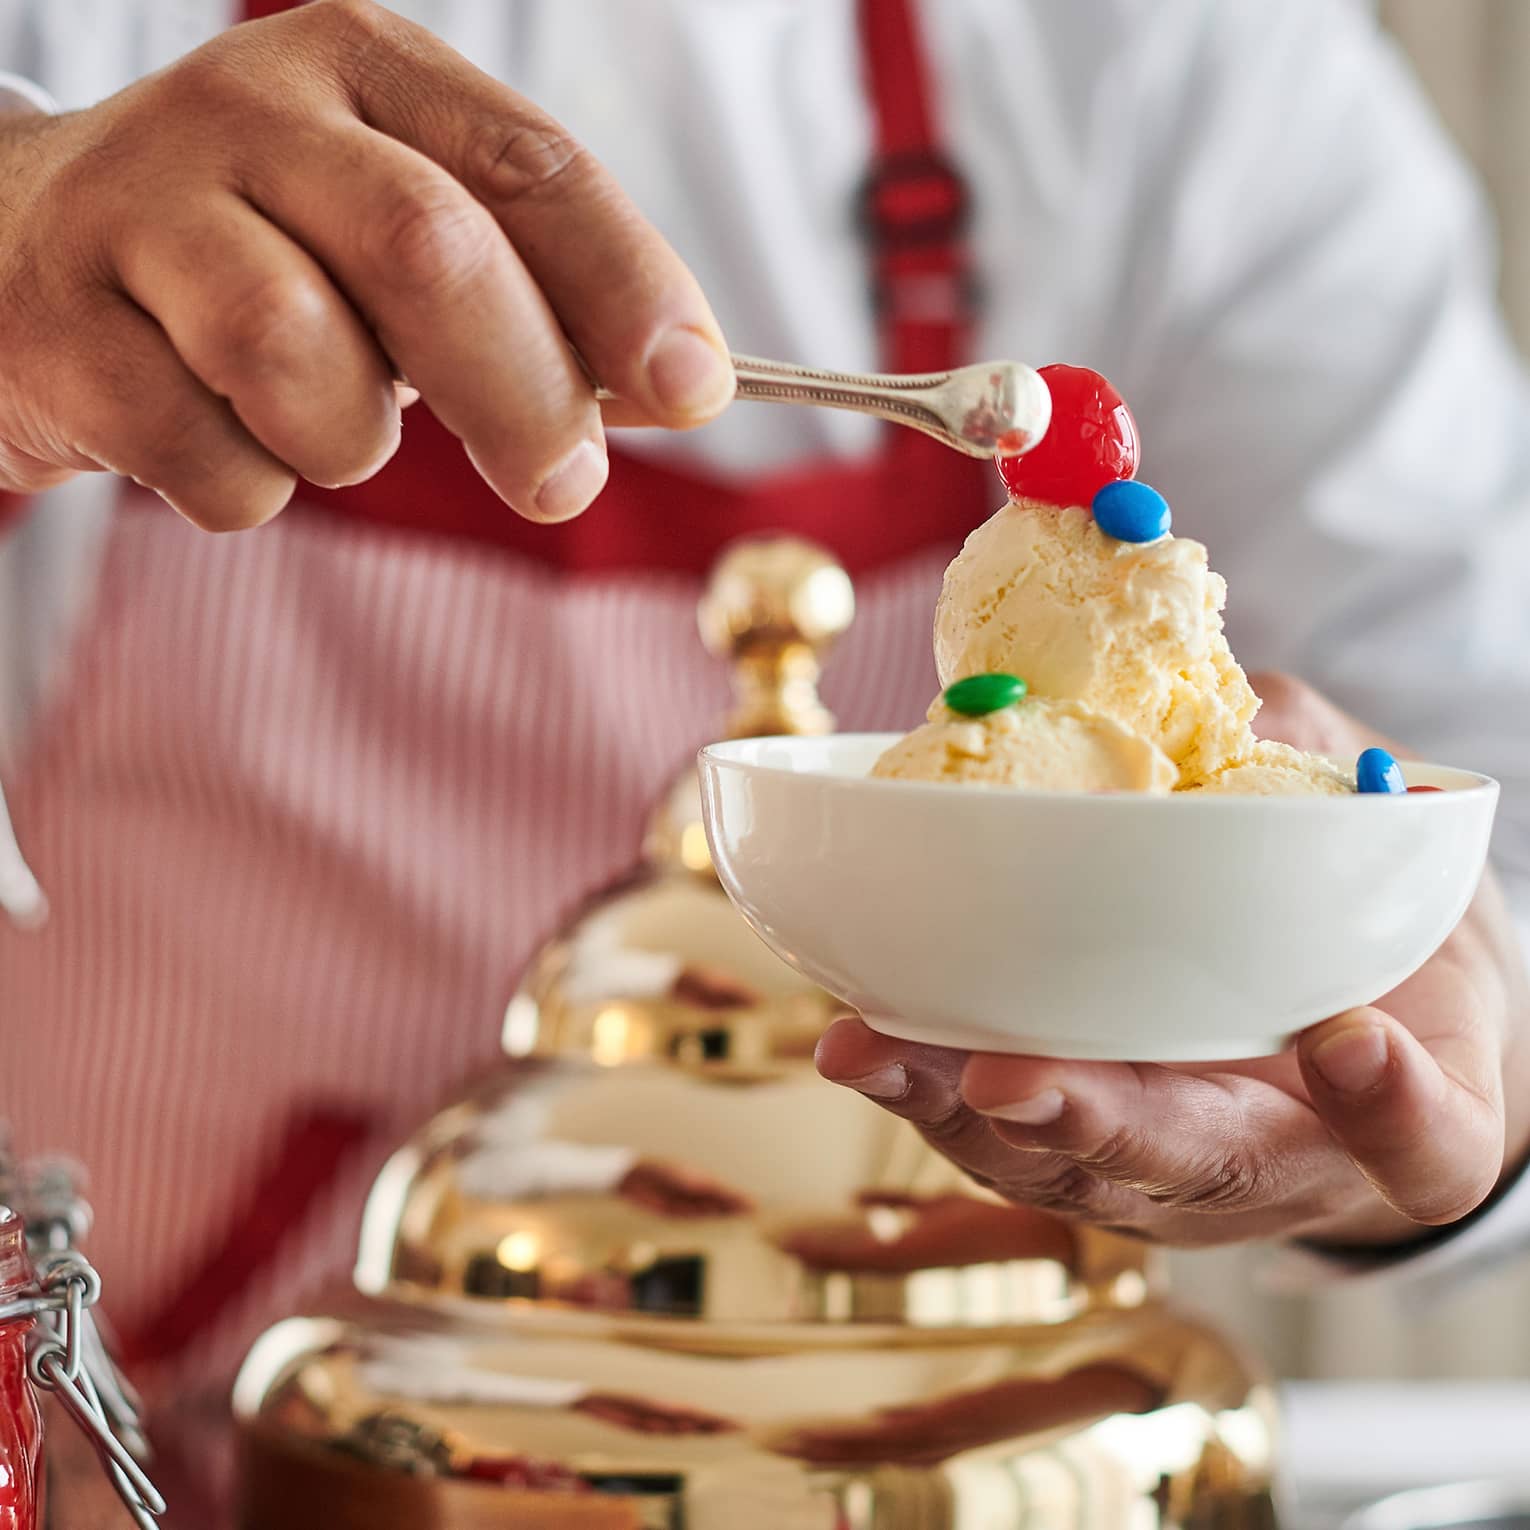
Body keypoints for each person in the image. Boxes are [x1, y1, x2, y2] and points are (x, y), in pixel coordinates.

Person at [1, 0, 1527, 1457]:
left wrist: (1442, 1063)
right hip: (184, 1440)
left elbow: (1479, 784)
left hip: (948, 1445)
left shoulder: (1181, 54)